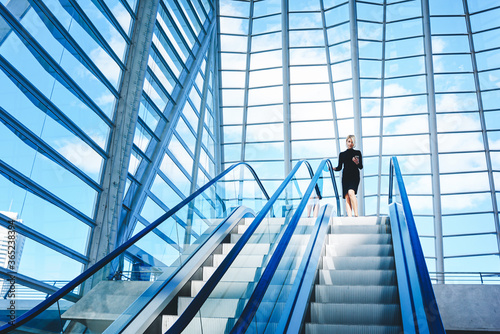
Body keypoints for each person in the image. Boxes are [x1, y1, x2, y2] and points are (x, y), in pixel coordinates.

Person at [332, 135, 363, 217]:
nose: (350, 143)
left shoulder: (357, 153)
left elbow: (361, 167)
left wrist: (357, 162)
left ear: (354, 143)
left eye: (352, 142)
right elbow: (339, 167)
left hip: (354, 176)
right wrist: (333, 168)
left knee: (351, 193)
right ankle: (350, 217)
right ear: (346, 142)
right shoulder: (342, 154)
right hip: (345, 177)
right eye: (349, 141)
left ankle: (356, 215)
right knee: (347, 197)